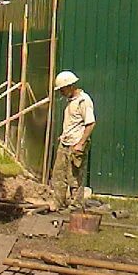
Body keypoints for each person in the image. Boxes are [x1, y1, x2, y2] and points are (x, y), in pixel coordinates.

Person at [50, 70, 96, 211]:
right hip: (65, 143)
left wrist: (81, 144)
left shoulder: (84, 101)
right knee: (58, 176)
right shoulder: (71, 101)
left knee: (75, 178)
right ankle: (58, 204)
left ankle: (76, 208)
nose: (61, 93)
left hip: (76, 145)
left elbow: (91, 123)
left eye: (62, 89)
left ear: (70, 86)